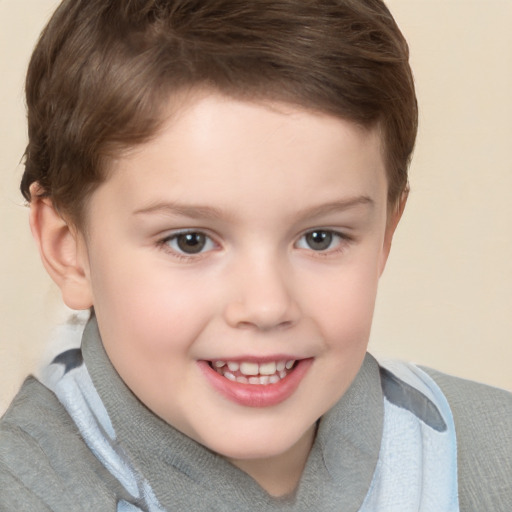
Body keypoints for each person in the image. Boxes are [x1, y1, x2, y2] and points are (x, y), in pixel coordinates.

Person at [0, 0, 510, 510]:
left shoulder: (492, 459)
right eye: (190, 241)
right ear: (68, 247)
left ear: (385, 237)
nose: (266, 307)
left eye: (320, 238)